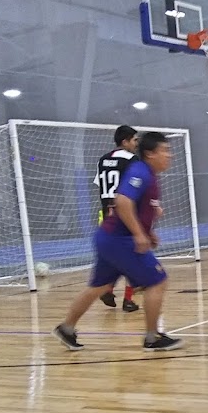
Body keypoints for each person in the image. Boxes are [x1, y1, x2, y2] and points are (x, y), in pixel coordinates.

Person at [53, 132, 181, 351]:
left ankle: (66, 328)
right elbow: (122, 201)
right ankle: (153, 338)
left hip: (108, 238)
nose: (170, 155)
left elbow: (141, 209)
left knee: (99, 286)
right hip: (119, 240)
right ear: (150, 153)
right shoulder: (140, 172)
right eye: (165, 151)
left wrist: (148, 232)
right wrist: (139, 234)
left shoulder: (149, 174)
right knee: (158, 281)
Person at [93, 125, 141, 312]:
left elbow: (100, 184)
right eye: (134, 140)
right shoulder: (132, 160)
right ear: (125, 141)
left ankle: (108, 288)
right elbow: (135, 189)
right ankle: (128, 299)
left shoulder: (102, 160)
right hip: (124, 215)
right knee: (133, 256)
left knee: (112, 256)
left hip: (106, 214)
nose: (136, 144)